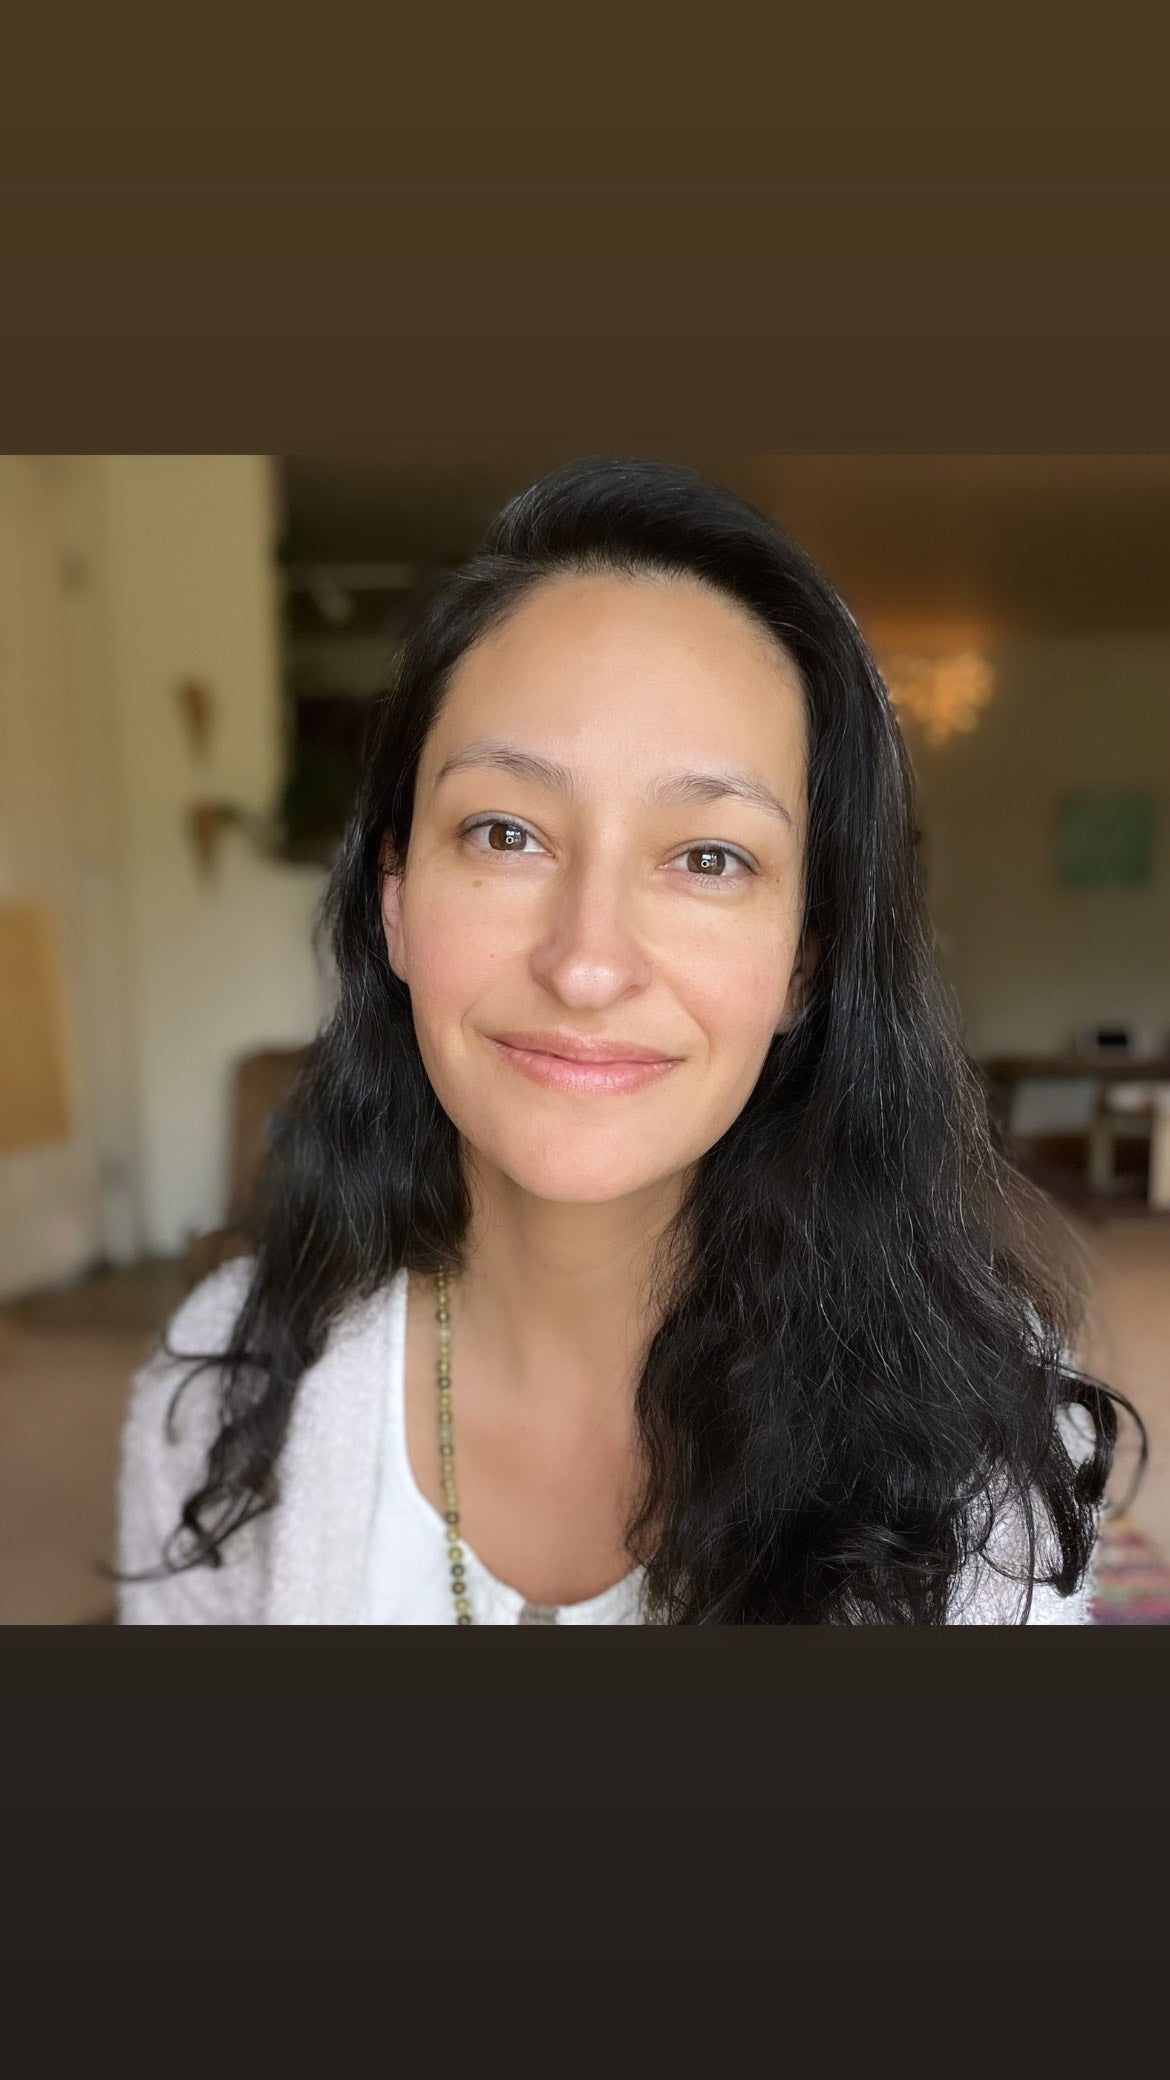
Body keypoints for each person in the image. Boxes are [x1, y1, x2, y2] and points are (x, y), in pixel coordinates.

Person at [116, 456, 1135, 1625]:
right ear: (393, 895)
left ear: (809, 956)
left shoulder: (980, 1456)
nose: (588, 963)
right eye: (506, 832)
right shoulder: (226, 1393)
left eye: (709, 857)